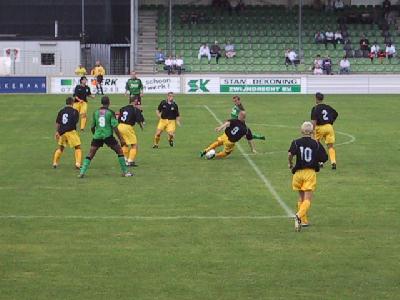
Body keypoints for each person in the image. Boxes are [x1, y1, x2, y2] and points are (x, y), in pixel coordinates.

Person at [79, 96, 133, 178]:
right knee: (119, 151)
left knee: (91, 153)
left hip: (98, 136)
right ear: (109, 103)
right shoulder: (110, 113)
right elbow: (115, 127)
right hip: (108, 136)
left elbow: (92, 127)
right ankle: (125, 172)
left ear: (101, 103)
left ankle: (82, 172)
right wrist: (121, 139)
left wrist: (95, 135)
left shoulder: (96, 112)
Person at [288, 121, 328, 231]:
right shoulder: (315, 143)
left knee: (301, 197)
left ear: (301, 131)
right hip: (309, 173)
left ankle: (304, 221)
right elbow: (324, 158)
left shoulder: (296, 142)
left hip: (297, 173)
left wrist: (290, 163)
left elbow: (290, 154)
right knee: (308, 199)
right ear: (312, 132)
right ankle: (298, 216)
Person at [52, 97, 82, 169]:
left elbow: (58, 123)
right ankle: (78, 164)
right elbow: (75, 122)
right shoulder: (75, 111)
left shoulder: (61, 111)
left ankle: (55, 163)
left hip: (62, 132)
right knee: (78, 147)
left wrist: (57, 132)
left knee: (61, 148)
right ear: (72, 103)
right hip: (71, 131)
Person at [311, 92, 339, 169]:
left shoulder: (315, 108)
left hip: (319, 128)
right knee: (330, 146)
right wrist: (331, 121)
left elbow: (314, 122)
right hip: (329, 127)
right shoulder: (327, 107)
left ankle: (320, 162)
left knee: (316, 144)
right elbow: (336, 113)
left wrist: (312, 132)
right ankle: (333, 162)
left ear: (316, 99)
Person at [118, 96, 144, 167]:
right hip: (127, 127)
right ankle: (130, 161)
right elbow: (139, 120)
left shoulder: (123, 108)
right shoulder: (135, 109)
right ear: (135, 101)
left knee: (124, 144)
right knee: (134, 145)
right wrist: (142, 126)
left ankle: (125, 160)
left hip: (120, 126)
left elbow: (118, 117)